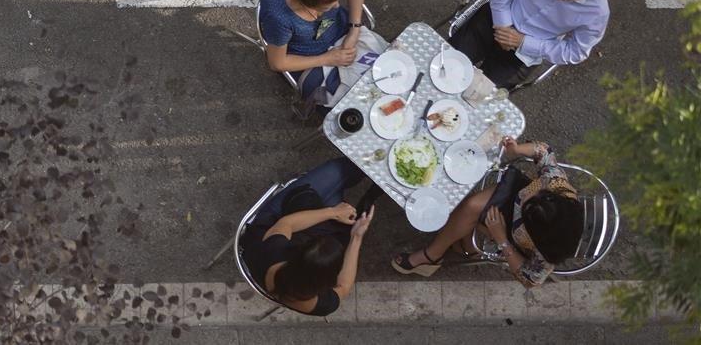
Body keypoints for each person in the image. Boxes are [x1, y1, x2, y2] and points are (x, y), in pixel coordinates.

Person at [391, 138, 584, 287]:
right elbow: (544, 151)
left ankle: (433, 255)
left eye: (528, 203)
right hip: (512, 198)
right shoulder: (555, 185)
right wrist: (517, 149)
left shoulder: (547, 254)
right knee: (470, 207)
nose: (526, 197)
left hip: (511, 236)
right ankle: (464, 246)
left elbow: (530, 280)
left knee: (468, 211)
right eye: (534, 195)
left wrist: (502, 239)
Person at [451, 0, 609, 89]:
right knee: (447, 65)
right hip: (497, 19)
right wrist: (503, 23)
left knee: (477, 97)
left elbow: (575, 52)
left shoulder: (597, 13)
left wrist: (523, 42)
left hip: (523, 55)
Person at [243, 158, 381, 316]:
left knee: (341, 170)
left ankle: (355, 184)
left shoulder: (274, 252)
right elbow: (343, 286)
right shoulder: (322, 305)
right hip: (280, 231)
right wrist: (356, 237)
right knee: (346, 174)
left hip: (268, 228)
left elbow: (286, 223)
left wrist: (334, 213)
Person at [258, 0, 377, 108]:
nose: (336, 6)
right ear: (306, 5)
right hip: (310, 61)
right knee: (351, 105)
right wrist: (327, 59)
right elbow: (277, 63)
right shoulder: (278, 17)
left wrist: (354, 29)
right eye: (326, 8)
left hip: (343, 31)